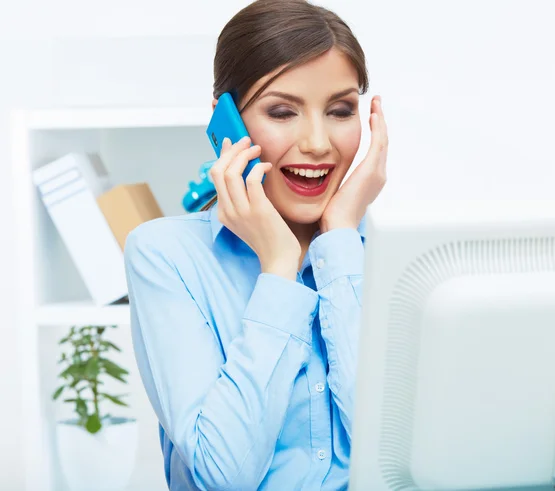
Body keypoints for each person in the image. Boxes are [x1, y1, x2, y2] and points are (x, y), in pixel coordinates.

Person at [124, 0, 388, 489]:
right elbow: (223, 477)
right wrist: (279, 266)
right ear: (226, 120)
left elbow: (391, 452)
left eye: (340, 110)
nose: (316, 142)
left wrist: (340, 245)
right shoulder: (164, 255)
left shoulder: (388, 254)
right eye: (283, 111)